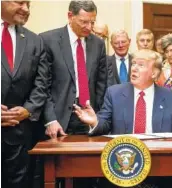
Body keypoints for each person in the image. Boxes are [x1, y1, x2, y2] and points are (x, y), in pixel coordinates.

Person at [74, 49, 172, 188]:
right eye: (133, 64)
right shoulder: (114, 93)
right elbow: (104, 123)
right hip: (122, 167)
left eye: (141, 65)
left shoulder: (171, 98)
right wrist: (95, 122)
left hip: (159, 166)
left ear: (154, 73)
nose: (134, 68)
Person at [40, 0, 107, 138]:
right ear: (70, 16)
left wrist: (98, 117)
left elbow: (101, 84)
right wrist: (50, 119)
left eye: (92, 22)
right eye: (84, 22)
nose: (89, 27)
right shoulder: (48, 40)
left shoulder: (98, 44)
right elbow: (42, 85)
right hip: (58, 118)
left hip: (88, 116)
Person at [1, 1, 48, 188]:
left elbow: (42, 82)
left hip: (19, 135)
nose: (26, 9)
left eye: (28, 3)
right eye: (20, 2)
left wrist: (29, 109)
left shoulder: (34, 40)